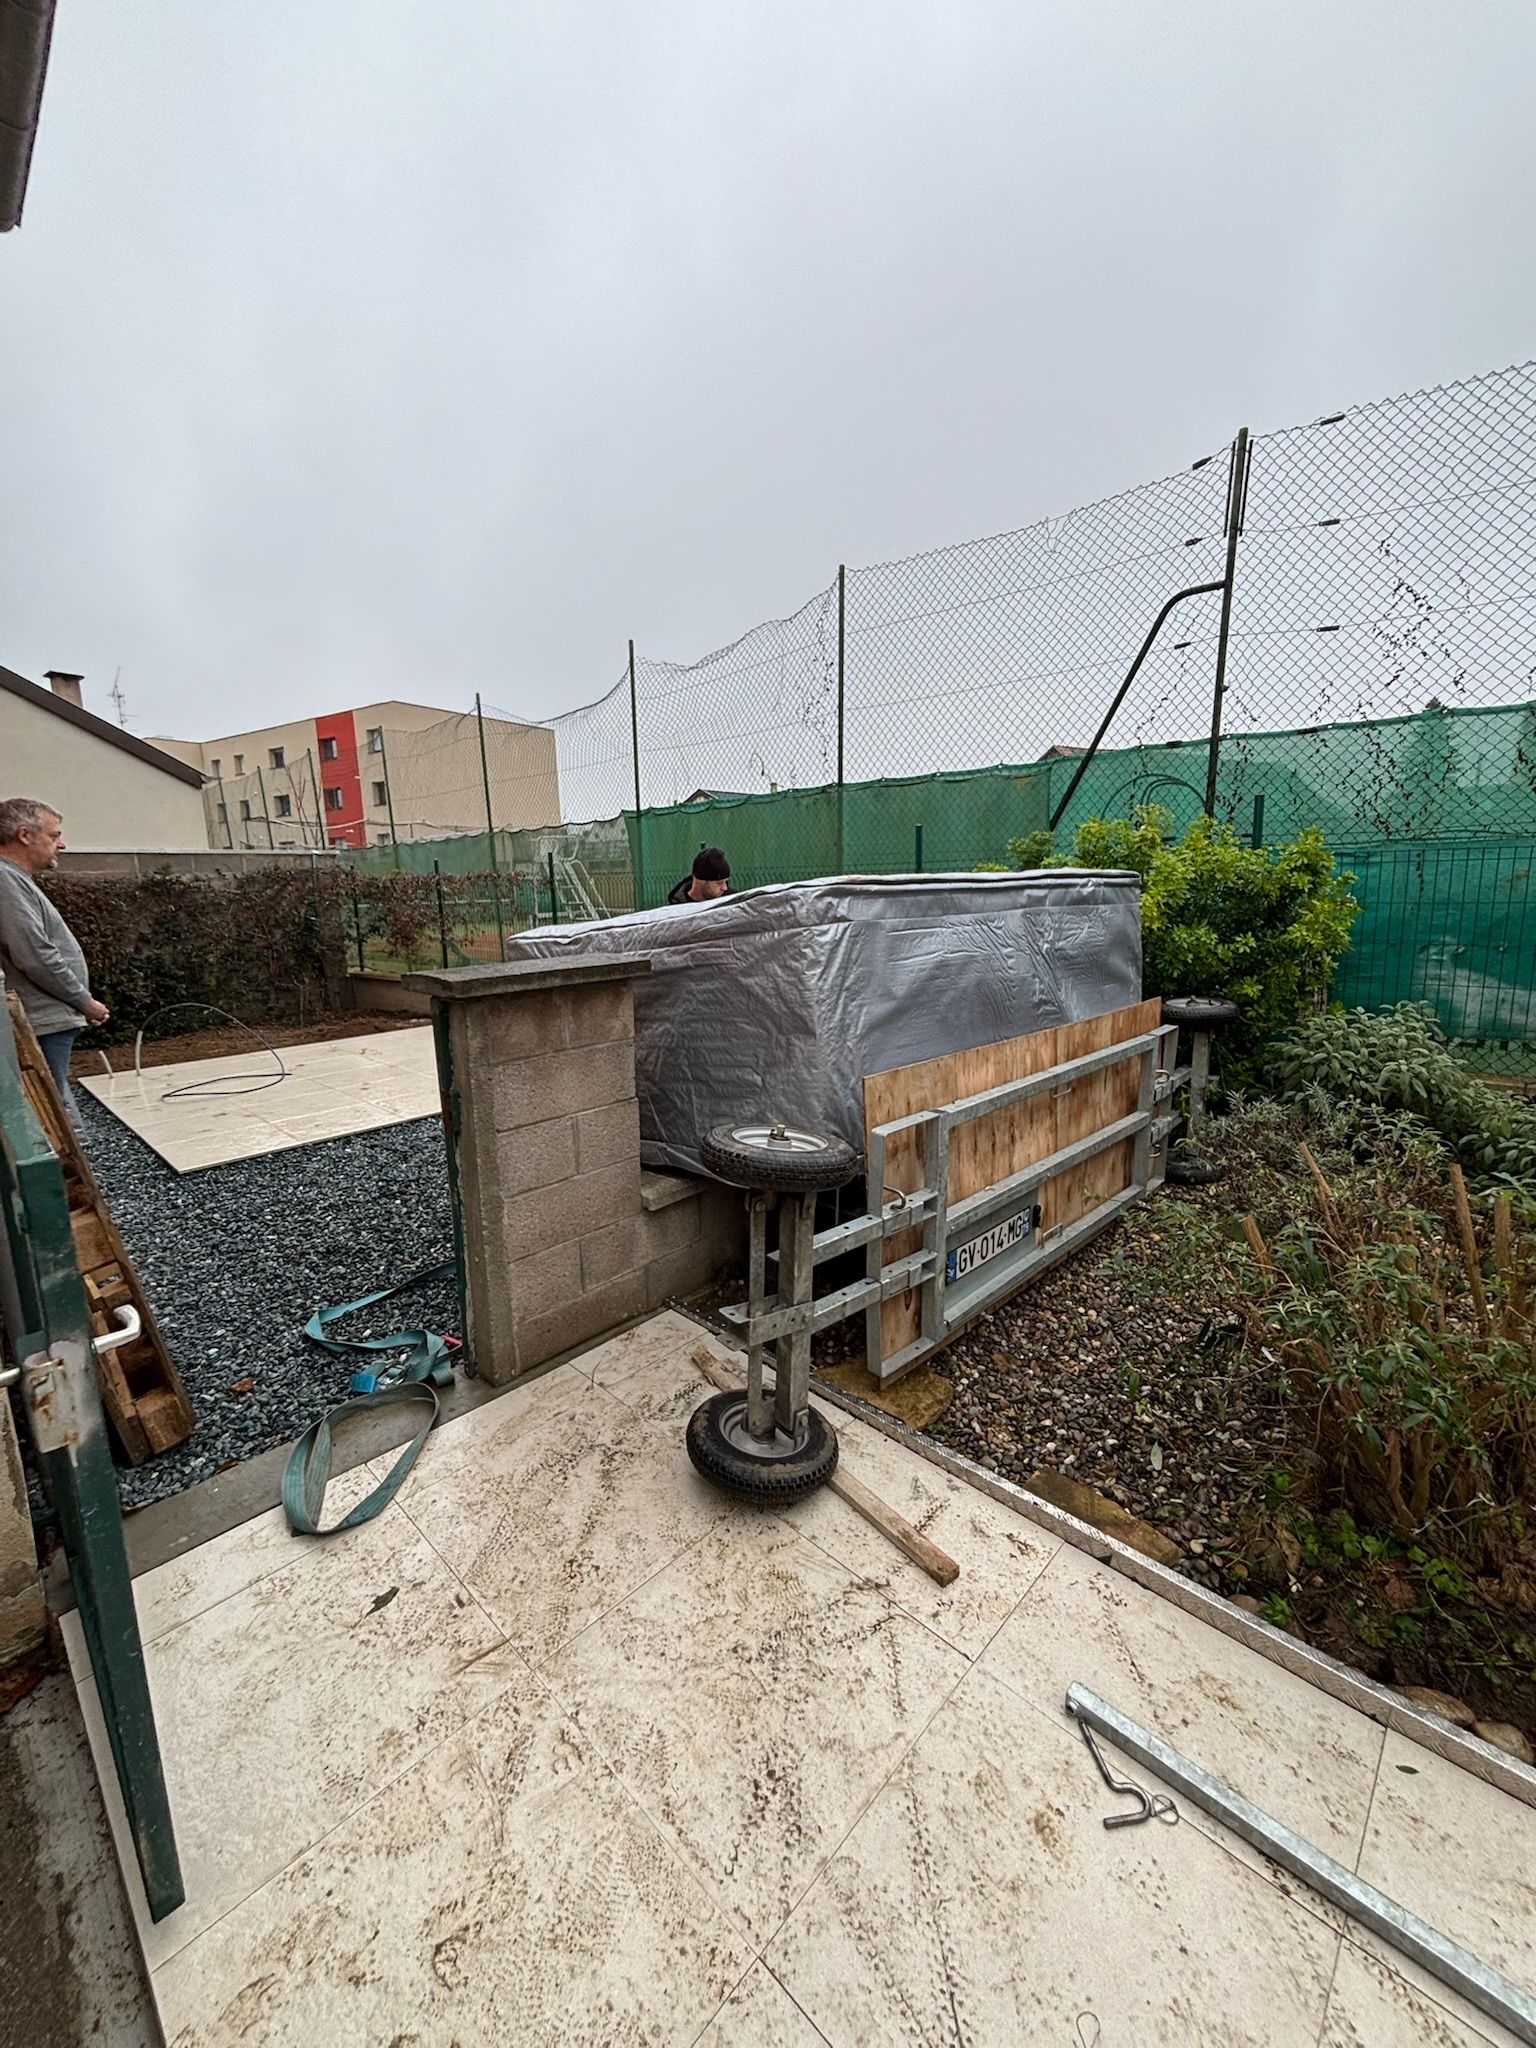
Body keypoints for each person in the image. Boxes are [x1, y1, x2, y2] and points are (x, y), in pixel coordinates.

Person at [0, 798, 110, 1115]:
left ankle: (78, 1162)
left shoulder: (15, 879)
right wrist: (83, 1001)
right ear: (24, 835)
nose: (61, 844)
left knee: (55, 1100)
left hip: (48, 1017)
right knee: (50, 1107)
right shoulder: (5, 880)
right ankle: (69, 1166)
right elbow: (34, 954)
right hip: (41, 1018)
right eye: (53, 835)